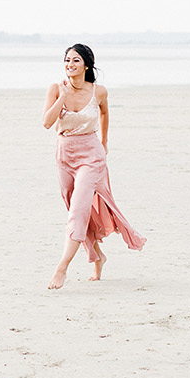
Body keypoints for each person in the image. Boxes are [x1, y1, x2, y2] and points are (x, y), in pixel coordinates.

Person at [41, 44, 145, 288]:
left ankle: (62, 268)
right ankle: (97, 256)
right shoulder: (56, 89)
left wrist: (104, 142)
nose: (70, 65)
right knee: (75, 211)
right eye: (67, 60)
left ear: (86, 64)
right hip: (65, 155)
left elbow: (105, 114)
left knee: (78, 210)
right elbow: (47, 122)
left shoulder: (99, 91)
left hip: (91, 155)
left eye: (76, 60)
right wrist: (63, 99)